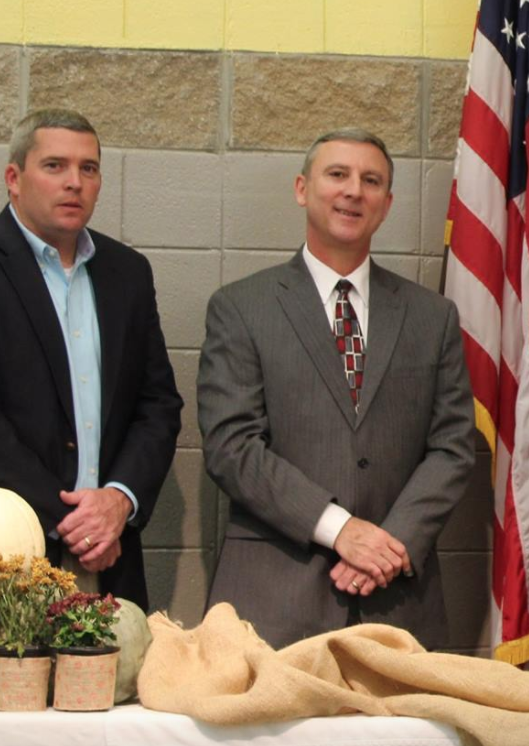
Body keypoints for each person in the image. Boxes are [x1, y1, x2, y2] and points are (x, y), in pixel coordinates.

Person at [197, 129, 476, 650]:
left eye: (371, 181)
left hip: (397, 602)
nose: (353, 191)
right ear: (303, 189)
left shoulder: (432, 317)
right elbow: (232, 447)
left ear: (386, 204)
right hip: (273, 602)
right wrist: (340, 529)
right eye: (338, 175)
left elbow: (453, 448)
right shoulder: (241, 308)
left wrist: (390, 546)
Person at [0, 109, 182, 609]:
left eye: (89, 168)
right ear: (14, 178)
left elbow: (158, 406)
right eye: (55, 166)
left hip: (107, 555)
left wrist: (118, 500)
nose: (74, 182)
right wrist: (74, 520)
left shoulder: (127, 272)